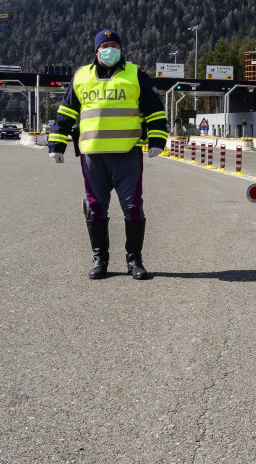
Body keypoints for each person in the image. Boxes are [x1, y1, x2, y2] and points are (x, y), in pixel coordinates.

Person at [47, 29, 168, 280]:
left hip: (127, 153)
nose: (110, 49)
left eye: (114, 45)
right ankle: (100, 259)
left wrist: (158, 139)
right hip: (93, 156)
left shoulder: (135, 74)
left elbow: (154, 110)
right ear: (96, 50)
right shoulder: (81, 76)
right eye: (105, 45)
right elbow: (66, 112)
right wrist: (56, 143)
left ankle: (134, 261)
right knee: (95, 207)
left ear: (122, 50)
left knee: (133, 208)